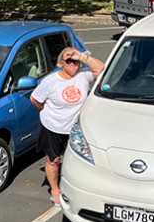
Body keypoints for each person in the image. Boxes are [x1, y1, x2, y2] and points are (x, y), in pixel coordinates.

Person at [30, 47, 103, 207]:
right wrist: (46, 111)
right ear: (61, 63)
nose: (73, 64)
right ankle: (55, 190)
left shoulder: (82, 76)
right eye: (69, 60)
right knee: (54, 160)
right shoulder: (51, 81)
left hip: (74, 128)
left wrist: (82, 56)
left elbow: (101, 69)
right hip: (53, 127)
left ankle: (81, 189)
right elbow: (35, 99)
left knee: (81, 159)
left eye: (75, 61)